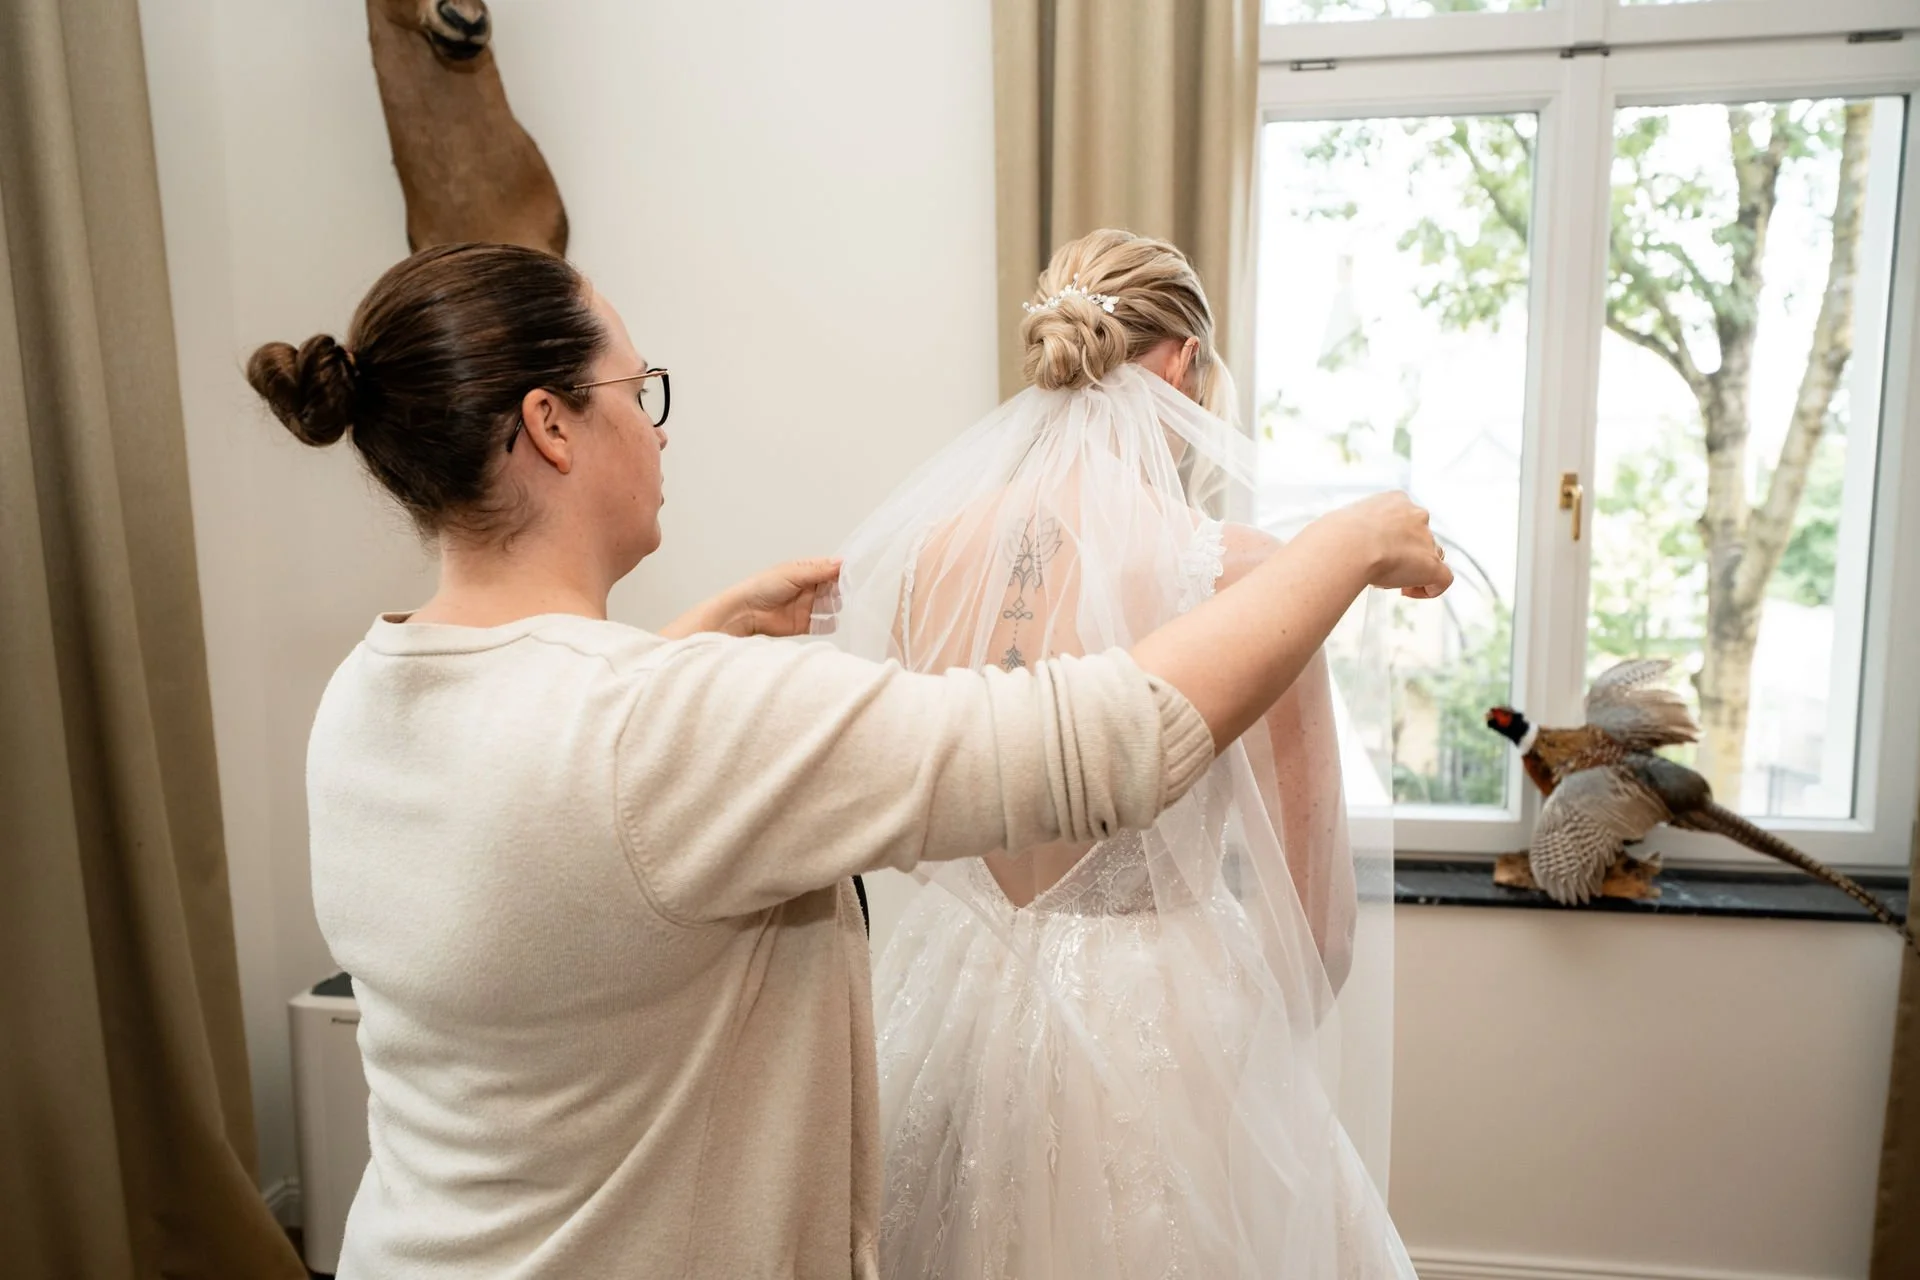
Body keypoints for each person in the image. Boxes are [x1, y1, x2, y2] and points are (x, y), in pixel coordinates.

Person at [245, 241, 1448, 1278]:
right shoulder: (683, 726)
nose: (658, 427)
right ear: (552, 426)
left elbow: (549, 777)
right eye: (638, 388)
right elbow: (1102, 741)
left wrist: (689, 637)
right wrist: (1340, 547)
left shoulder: (369, 693)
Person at [822, 229, 1425, 1277]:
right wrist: (1246, 1070)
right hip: (1163, 1016)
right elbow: (1318, 921)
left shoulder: (932, 556)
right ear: (1183, 364)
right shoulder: (1241, 573)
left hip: (947, 998)